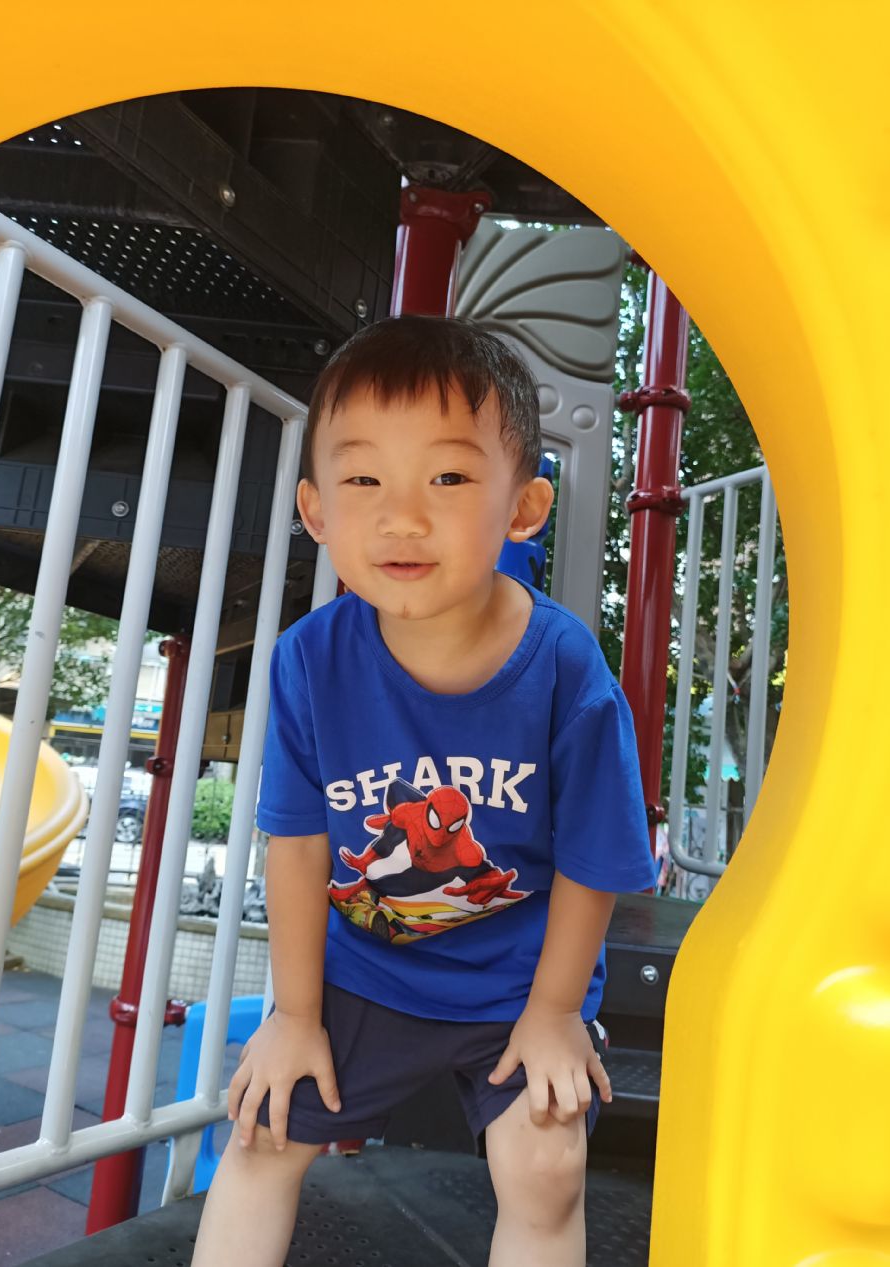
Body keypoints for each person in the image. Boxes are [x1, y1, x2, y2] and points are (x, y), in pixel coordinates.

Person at [192, 315, 657, 1267]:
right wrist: (294, 1015)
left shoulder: (565, 667)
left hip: (517, 979)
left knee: (547, 1165)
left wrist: (555, 1013)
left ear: (524, 508)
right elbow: (298, 845)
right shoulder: (309, 661)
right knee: (262, 1131)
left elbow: (594, 859)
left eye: (447, 478)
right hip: (365, 973)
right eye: (364, 481)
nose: (401, 517)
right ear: (317, 511)